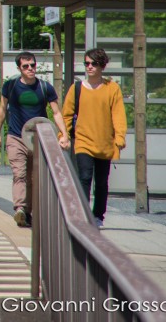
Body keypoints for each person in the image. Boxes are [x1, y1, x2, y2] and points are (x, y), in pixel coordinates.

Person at [0, 51, 70, 228]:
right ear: (19, 68)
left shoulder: (45, 87)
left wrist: (64, 134)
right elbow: (2, 109)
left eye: (33, 65)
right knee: (19, 173)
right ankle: (20, 208)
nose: (30, 69)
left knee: (33, 177)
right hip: (16, 137)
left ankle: (28, 212)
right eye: (26, 66)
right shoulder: (10, 86)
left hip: (38, 139)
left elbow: (56, 113)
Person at [62, 47, 127, 228]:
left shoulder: (112, 88)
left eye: (94, 64)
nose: (89, 67)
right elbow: (66, 114)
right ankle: (83, 214)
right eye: (87, 63)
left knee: (101, 183)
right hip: (83, 141)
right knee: (84, 177)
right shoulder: (76, 89)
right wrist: (64, 135)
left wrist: (120, 137)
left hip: (105, 143)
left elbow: (118, 115)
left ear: (102, 66)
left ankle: (98, 216)